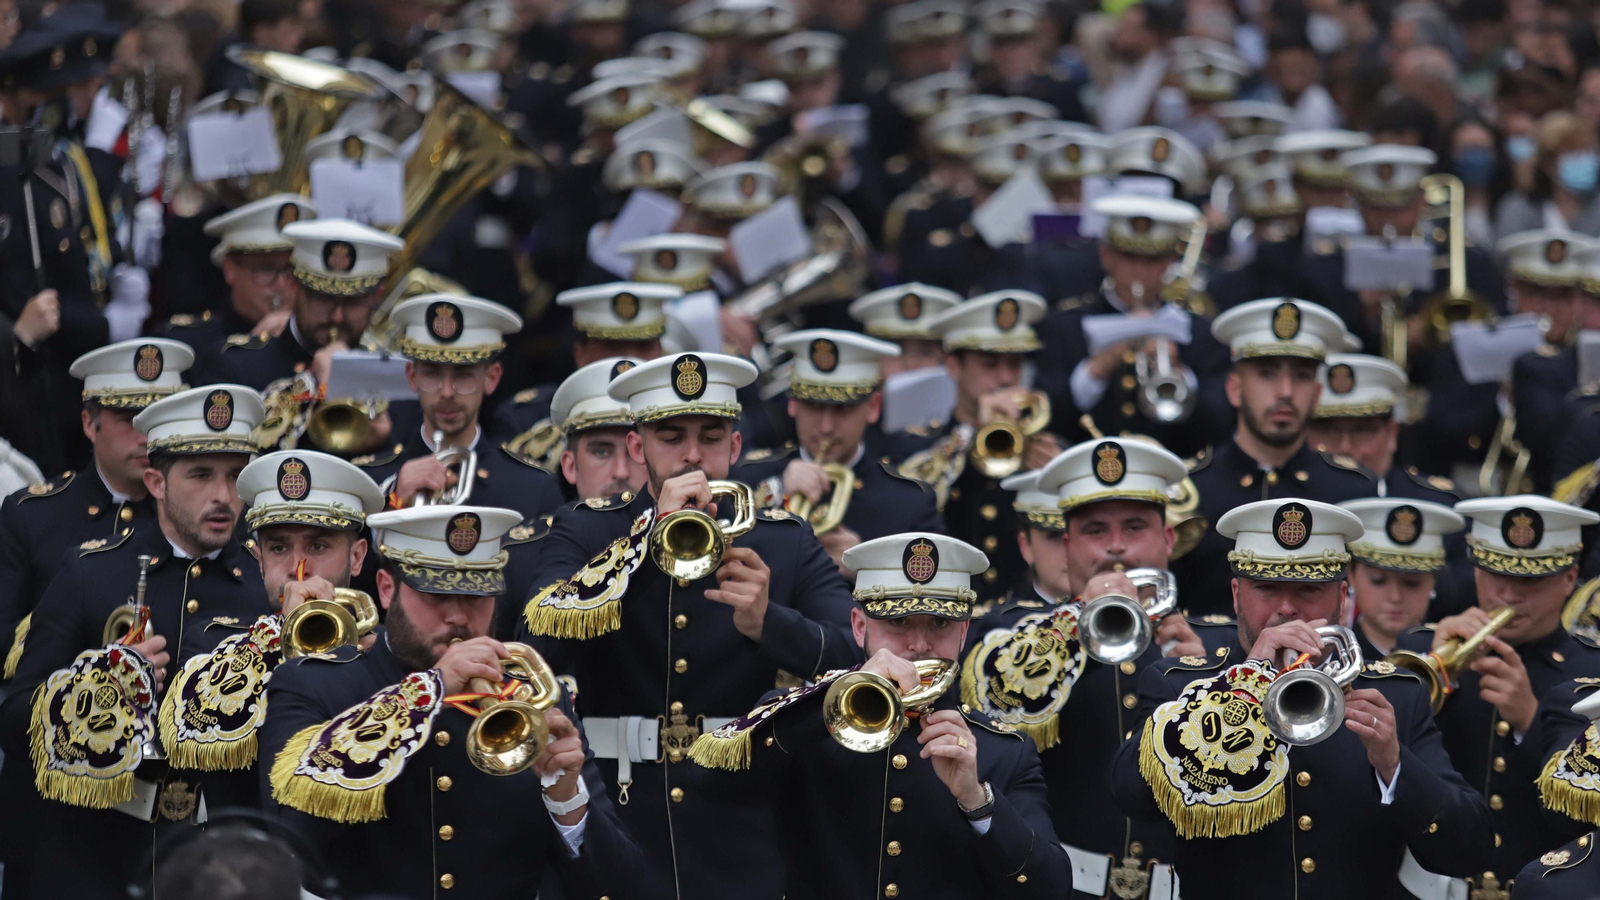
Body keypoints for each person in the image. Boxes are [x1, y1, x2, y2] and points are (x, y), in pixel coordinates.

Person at [517, 350, 860, 900]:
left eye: (711, 435)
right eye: (671, 436)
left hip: (740, 821)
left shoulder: (782, 538)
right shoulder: (586, 530)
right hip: (622, 811)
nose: (693, 455)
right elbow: (532, 650)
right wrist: (644, 546)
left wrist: (769, 623)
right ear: (638, 446)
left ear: (736, 446)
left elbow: (855, 655)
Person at [1110, 498, 1494, 897]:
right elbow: (1131, 796)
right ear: (1237, 594)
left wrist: (1395, 766)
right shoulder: (1180, 685)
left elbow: (1469, 850)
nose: (1287, 609)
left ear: (1342, 600)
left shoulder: (1396, 694)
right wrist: (1238, 689)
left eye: (1310, 590)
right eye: (1267, 589)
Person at [260, 504, 643, 899]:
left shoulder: (533, 698)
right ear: (387, 588)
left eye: (477, 596)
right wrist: (430, 690)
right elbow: (288, 838)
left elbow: (620, 885)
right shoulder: (316, 684)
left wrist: (567, 801)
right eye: (437, 594)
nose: (458, 616)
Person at [688, 532, 1073, 898]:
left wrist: (976, 800)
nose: (919, 645)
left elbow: (1052, 887)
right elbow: (706, 785)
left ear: (963, 633)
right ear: (859, 627)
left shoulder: (1003, 750)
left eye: (940, 624)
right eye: (898, 622)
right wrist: (825, 707)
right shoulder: (803, 719)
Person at [0, 383, 268, 899]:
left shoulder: (264, 587)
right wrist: (95, 690)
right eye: (201, 475)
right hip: (97, 860)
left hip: (223, 868)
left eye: (236, 476)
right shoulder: (88, 573)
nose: (222, 495)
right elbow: (13, 721)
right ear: (156, 482)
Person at [963, 437, 1204, 898]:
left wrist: (1190, 673)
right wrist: (1079, 620)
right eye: (1095, 531)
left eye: (1135, 527)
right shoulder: (1010, 631)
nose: (1116, 547)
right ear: (1067, 546)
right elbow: (997, 697)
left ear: (1169, 540)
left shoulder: (1212, 643)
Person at [1392, 495, 1600, 885]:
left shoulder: (1591, 670)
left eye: (1530, 580)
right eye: (1496, 575)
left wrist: (1530, 722)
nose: (1509, 595)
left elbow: (1585, 810)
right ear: (1475, 573)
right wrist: (1436, 672)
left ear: (1570, 579)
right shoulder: (1423, 648)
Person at [156, 449, 384, 804]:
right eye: (279, 548)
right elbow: (190, 732)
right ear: (259, 560)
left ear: (356, 557)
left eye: (318, 545)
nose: (298, 568)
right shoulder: (213, 643)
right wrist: (281, 638)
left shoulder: (385, 650)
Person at [1171, 297, 1375, 614]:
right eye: (1267, 374)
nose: (1285, 392)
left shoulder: (1352, 491)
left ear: (1319, 395)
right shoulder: (1190, 490)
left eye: (1302, 376)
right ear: (1234, 388)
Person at [0, 337, 192, 670]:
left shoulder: (195, 517)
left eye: (159, 420)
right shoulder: (31, 516)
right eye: (130, 418)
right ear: (90, 424)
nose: (147, 437)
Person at [1035, 193, 1233, 456]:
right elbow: (1048, 418)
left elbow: (1219, 428)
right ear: (1106, 256)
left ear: (1170, 261)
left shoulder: (1199, 332)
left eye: (1152, 260)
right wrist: (1096, 369)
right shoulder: (1064, 326)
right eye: (1129, 257)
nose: (1139, 272)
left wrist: (1179, 373)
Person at [731, 328, 943, 573]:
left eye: (842, 409)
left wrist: (868, 569)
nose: (826, 427)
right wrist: (774, 490)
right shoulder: (748, 478)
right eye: (813, 406)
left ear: (873, 407)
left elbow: (933, 595)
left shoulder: (909, 500)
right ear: (792, 403)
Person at [896, 290, 1059, 600]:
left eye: (1015, 364)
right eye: (990, 364)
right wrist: (973, 437)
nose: (1006, 378)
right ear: (954, 366)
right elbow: (910, 507)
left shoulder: (1046, 446)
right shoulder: (919, 446)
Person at [373, 293, 566, 521]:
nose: (447, 392)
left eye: (463, 375)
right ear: (412, 377)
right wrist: (393, 502)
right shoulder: (372, 479)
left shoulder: (535, 488)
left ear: (492, 378)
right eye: (432, 374)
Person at [1308, 354, 1470, 616]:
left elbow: (1463, 592)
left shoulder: (1440, 506)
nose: (1346, 447)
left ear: (1392, 434)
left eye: (1362, 431)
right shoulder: (1290, 500)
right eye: (1328, 431)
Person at [204, 219, 405, 392]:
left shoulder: (393, 377)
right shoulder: (235, 366)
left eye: (353, 302)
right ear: (293, 284)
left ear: (377, 295)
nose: (337, 317)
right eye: (323, 299)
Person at [495, 280, 680, 440]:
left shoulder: (684, 419)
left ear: (661, 351)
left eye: (643, 346)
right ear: (579, 354)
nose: (628, 360)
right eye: (613, 347)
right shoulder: (526, 420)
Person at [156, 195, 315, 370]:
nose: (282, 285)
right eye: (267, 270)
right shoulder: (184, 344)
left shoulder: (314, 341)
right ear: (229, 268)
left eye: (292, 270)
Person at [1339, 498, 1466, 659]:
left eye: (1411, 583)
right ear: (1352, 575)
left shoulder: (1456, 656)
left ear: (1433, 581)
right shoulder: (1330, 655)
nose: (1395, 597)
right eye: (1378, 580)